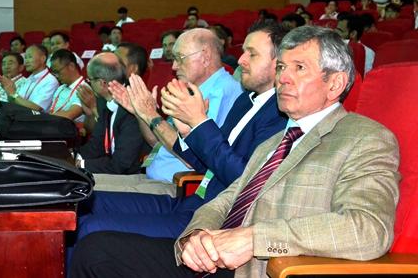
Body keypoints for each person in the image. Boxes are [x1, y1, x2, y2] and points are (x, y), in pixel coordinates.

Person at [71, 25, 400, 278]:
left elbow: (369, 229)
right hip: (216, 256)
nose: (284, 78)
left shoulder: (365, 138)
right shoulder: (278, 139)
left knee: (96, 247)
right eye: (282, 68)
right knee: (93, 250)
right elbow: (230, 195)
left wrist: (255, 238)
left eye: (299, 68)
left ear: (335, 83)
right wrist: (198, 234)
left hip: (268, 267)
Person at [75, 22, 288, 242]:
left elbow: (243, 179)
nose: (240, 60)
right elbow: (194, 155)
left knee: (91, 224)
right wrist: (154, 119)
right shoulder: (245, 101)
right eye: (243, 52)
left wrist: (193, 123)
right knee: (82, 203)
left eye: (251, 54)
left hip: (193, 198)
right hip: (187, 196)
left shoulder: (249, 102)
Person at [95, 29, 242, 195]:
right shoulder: (193, 91)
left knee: (88, 193)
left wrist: (151, 115)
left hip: (176, 187)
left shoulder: (222, 92)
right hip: (152, 178)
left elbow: (193, 156)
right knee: (87, 182)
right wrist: (140, 113)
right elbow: (157, 141)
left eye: (180, 58)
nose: (174, 66)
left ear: (205, 56)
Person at [75, 52, 147, 174]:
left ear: (102, 83)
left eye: (90, 80)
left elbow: (121, 165)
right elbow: (96, 145)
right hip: (112, 168)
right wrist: (72, 157)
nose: (89, 84)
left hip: (132, 176)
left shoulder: (133, 108)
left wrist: (80, 164)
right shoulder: (105, 102)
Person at [11, 44, 59, 112]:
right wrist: (9, 91)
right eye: (26, 57)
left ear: (43, 59)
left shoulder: (51, 81)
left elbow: (36, 107)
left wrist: (13, 93)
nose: (26, 61)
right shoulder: (29, 78)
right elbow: (16, 101)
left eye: (30, 57)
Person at [48, 49, 89, 122]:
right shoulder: (60, 88)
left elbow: (69, 115)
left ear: (71, 66)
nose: (56, 76)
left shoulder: (84, 88)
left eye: (57, 71)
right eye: (54, 72)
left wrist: (46, 117)